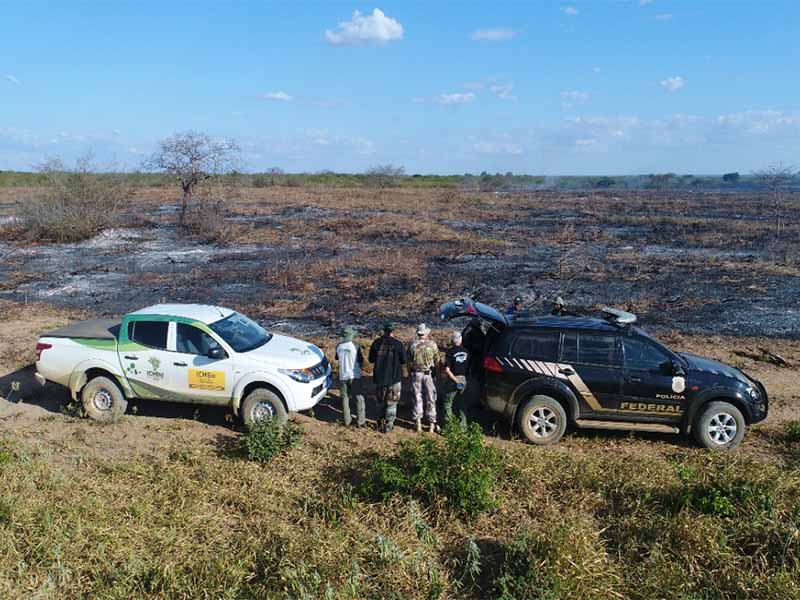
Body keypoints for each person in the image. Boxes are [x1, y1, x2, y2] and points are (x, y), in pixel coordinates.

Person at [368, 321, 406, 433]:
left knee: (380, 403)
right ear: (393, 331)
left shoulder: (376, 343)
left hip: (379, 379)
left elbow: (371, 359)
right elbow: (404, 360)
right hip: (394, 379)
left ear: (383, 331)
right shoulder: (398, 344)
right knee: (392, 404)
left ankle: (379, 423)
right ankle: (389, 426)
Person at [407, 323, 439, 433]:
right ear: (426, 333)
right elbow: (437, 361)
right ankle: (431, 424)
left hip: (416, 374)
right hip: (428, 374)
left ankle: (418, 422)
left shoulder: (412, 345)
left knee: (417, 397)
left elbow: (409, 361)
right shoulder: (432, 345)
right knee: (431, 398)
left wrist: (409, 373)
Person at [335, 326, 365, 428]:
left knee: (345, 398)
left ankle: (347, 420)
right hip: (354, 375)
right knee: (359, 398)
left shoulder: (338, 346)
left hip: (343, 376)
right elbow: (361, 360)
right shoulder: (355, 346)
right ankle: (360, 421)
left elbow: (336, 358)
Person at [441, 331, 469, 430]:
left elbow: (447, 370)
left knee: (447, 403)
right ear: (460, 341)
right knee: (462, 403)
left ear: (452, 341)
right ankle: (463, 427)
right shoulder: (466, 351)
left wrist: (455, 381)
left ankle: (448, 427)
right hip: (464, 379)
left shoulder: (449, 352)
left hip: (453, 380)